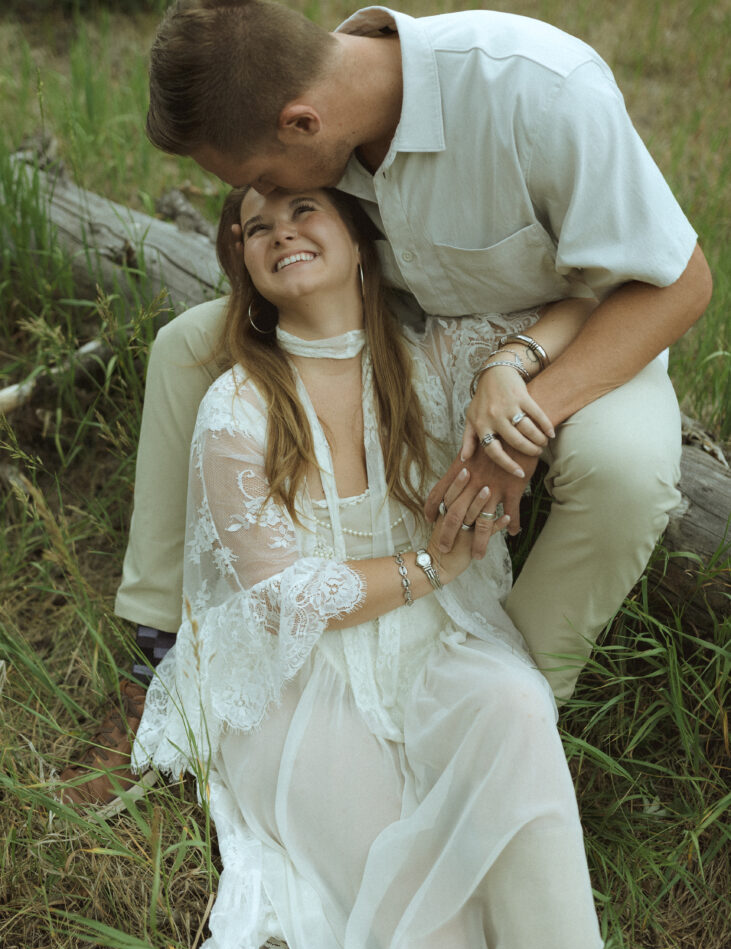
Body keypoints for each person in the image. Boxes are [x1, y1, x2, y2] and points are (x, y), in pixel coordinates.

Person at [60, 0, 711, 809]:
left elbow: (679, 285)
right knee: (185, 349)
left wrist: (521, 413)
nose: (254, 196)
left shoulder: (538, 91)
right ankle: (157, 649)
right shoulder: (328, 114)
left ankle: (511, 714)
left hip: (583, 329)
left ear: (300, 122)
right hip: (403, 321)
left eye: (256, 178)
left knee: (625, 476)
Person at [133, 182, 630, 949]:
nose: (280, 233)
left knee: (512, 705)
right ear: (246, 269)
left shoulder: (433, 361)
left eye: (301, 212)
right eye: (257, 228)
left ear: (361, 242)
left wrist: (511, 365)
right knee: (397, 879)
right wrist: (427, 566)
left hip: (434, 640)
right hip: (300, 676)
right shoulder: (237, 407)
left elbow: (580, 302)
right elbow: (285, 590)